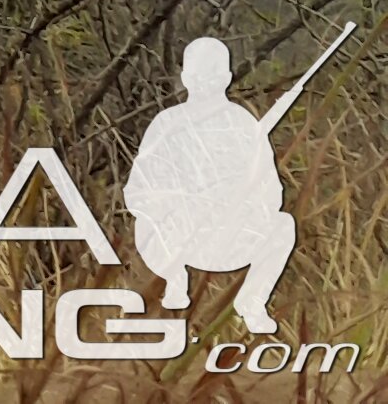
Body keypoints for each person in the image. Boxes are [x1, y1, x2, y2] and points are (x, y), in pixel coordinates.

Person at [125, 35, 300, 336]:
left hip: (229, 238)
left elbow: (273, 193)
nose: (205, 83)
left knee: (283, 226)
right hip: (177, 237)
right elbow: (138, 191)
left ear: (227, 78)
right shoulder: (167, 124)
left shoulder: (244, 125)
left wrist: (241, 201)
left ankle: (253, 302)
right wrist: (182, 202)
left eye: (213, 75)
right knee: (144, 224)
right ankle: (174, 281)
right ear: (185, 78)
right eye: (198, 75)